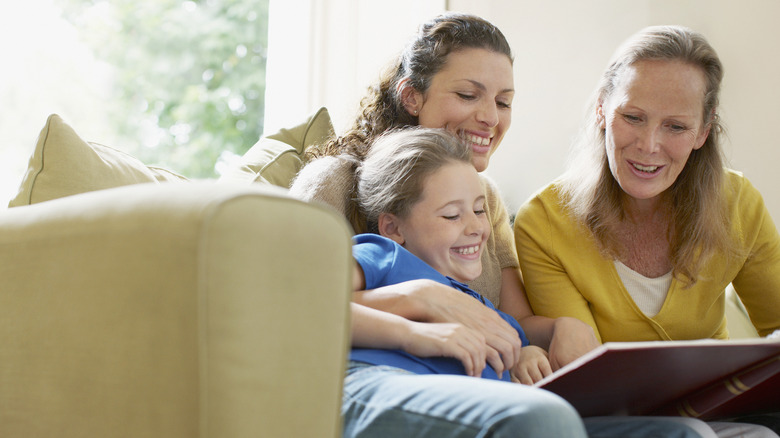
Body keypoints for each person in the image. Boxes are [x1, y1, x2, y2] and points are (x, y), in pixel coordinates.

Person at [346, 126, 722, 438]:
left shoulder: (486, 311)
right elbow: (305, 297)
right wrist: (414, 324)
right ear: (393, 227)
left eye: (479, 210)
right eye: (451, 215)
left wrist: (525, 357)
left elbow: (522, 353)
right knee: (544, 420)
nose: (477, 227)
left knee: (682, 434)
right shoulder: (385, 256)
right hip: (379, 382)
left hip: (483, 406)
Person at [290, 11, 597, 374]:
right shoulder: (335, 180)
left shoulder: (486, 198)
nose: (490, 118)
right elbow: (291, 300)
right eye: (468, 95)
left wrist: (559, 329)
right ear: (411, 96)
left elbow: (513, 321)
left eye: (503, 102)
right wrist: (423, 299)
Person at [513, 25, 780, 437]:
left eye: (675, 127)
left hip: (723, 416)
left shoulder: (739, 203)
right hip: (619, 425)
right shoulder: (545, 222)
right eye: (633, 117)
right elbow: (589, 378)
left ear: (703, 131)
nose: (648, 145)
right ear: (603, 109)